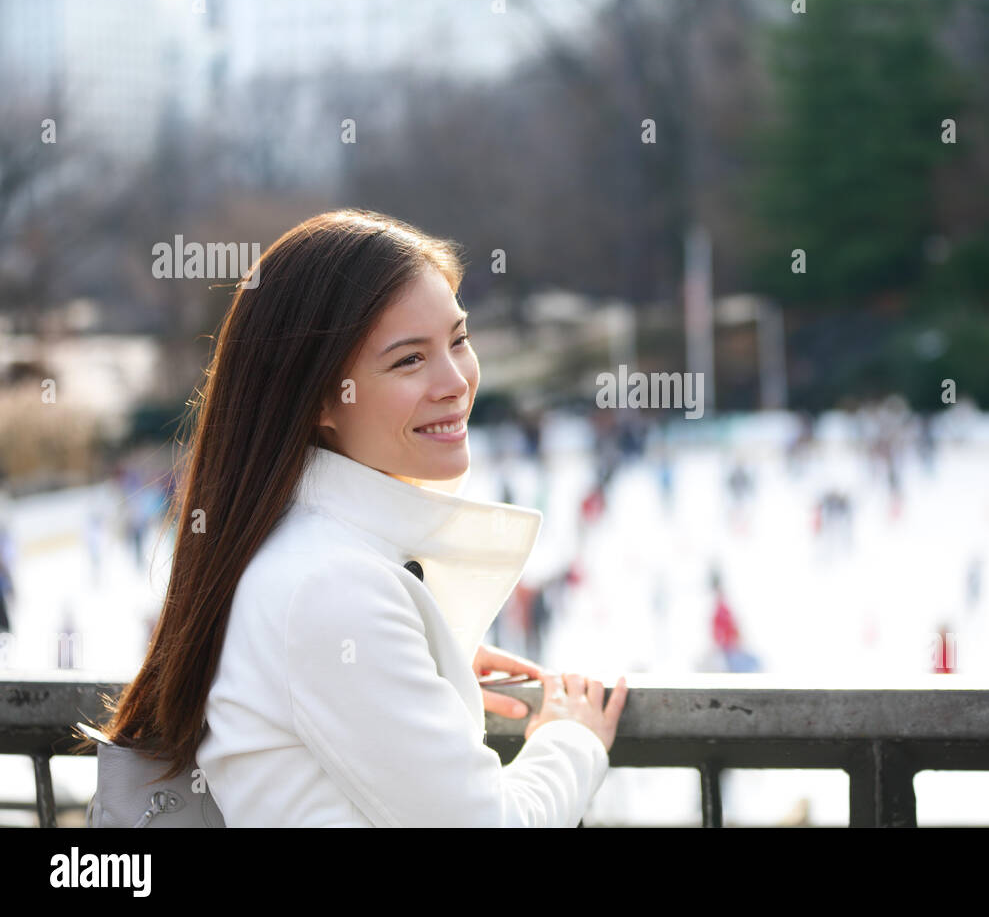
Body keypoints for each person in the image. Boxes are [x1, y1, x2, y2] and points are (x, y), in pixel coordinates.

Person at [77, 210, 626, 826]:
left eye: (458, 340)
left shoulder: (301, 556)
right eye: (408, 361)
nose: (456, 382)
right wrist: (571, 741)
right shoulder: (332, 587)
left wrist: (418, 661)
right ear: (318, 398)